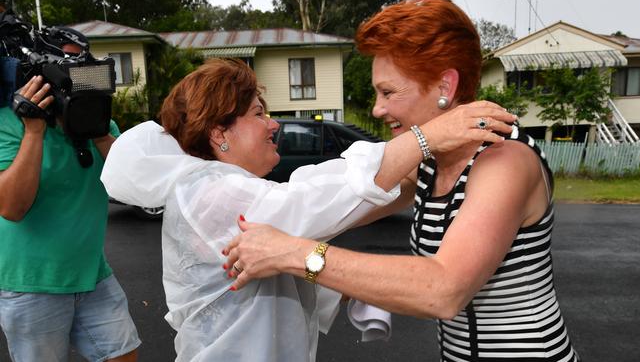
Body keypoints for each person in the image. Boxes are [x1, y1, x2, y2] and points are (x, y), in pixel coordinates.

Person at [224, 0, 580, 361]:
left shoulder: (504, 160)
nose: (378, 108)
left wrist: (293, 254)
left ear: (445, 86)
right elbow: (335, 205)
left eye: (388, 92)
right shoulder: (427, 163)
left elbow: (443, 290)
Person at [100, 57, 515, 361]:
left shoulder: (228, 188)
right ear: (219, 133)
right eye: (259, 113)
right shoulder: (208, 195)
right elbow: (308, 204)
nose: (273, 124)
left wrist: (412, 171)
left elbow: (312, 193)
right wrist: (425, 139)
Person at [0, 36, 140, 361]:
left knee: (122, 356)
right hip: (32, 283)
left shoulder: (98, 121)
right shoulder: (9, 124)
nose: (78, 74)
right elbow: (12, 206)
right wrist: (34, 130)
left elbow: (133, 184)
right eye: (67, 66)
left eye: (84, 64)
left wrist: (98, 130)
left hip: (92, 273)